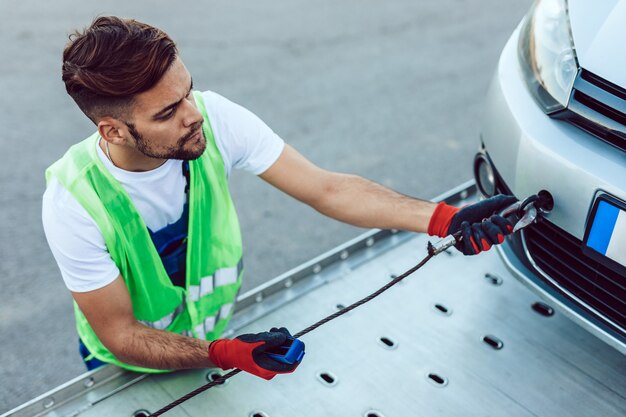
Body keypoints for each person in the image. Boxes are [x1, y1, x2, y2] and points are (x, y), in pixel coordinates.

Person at [42, 16, 516, 380]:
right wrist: (223, 353)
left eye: (187, 91)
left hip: (214, 337)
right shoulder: (74, 202)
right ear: (114, 130)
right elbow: (121, 334)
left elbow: (326, 189)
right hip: (129, 370)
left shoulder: (212, 117)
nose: (193, 114)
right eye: (168, 111)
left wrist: (444, 219)